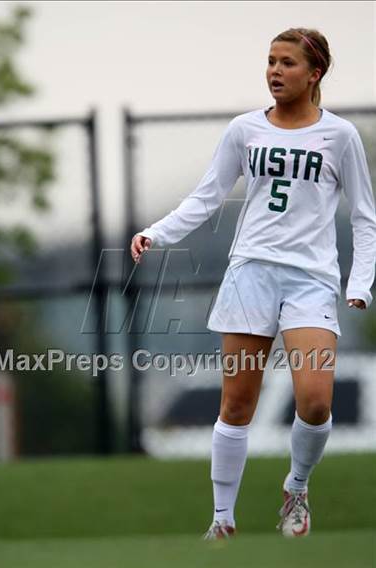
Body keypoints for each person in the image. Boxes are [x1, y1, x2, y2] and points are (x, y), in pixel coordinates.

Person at [130, 27, 376, 539]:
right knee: (237, 404)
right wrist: (155, 233)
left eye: (287, 63)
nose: (275, 72)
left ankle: (298, 488)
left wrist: (361, 281)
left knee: (315, 402)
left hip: (311, 282)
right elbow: (206, 197)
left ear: (315, 74)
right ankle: (222, 520)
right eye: (270, 61)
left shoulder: (341, 136)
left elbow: (365, 218)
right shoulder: (244, 129)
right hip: (250, 276)